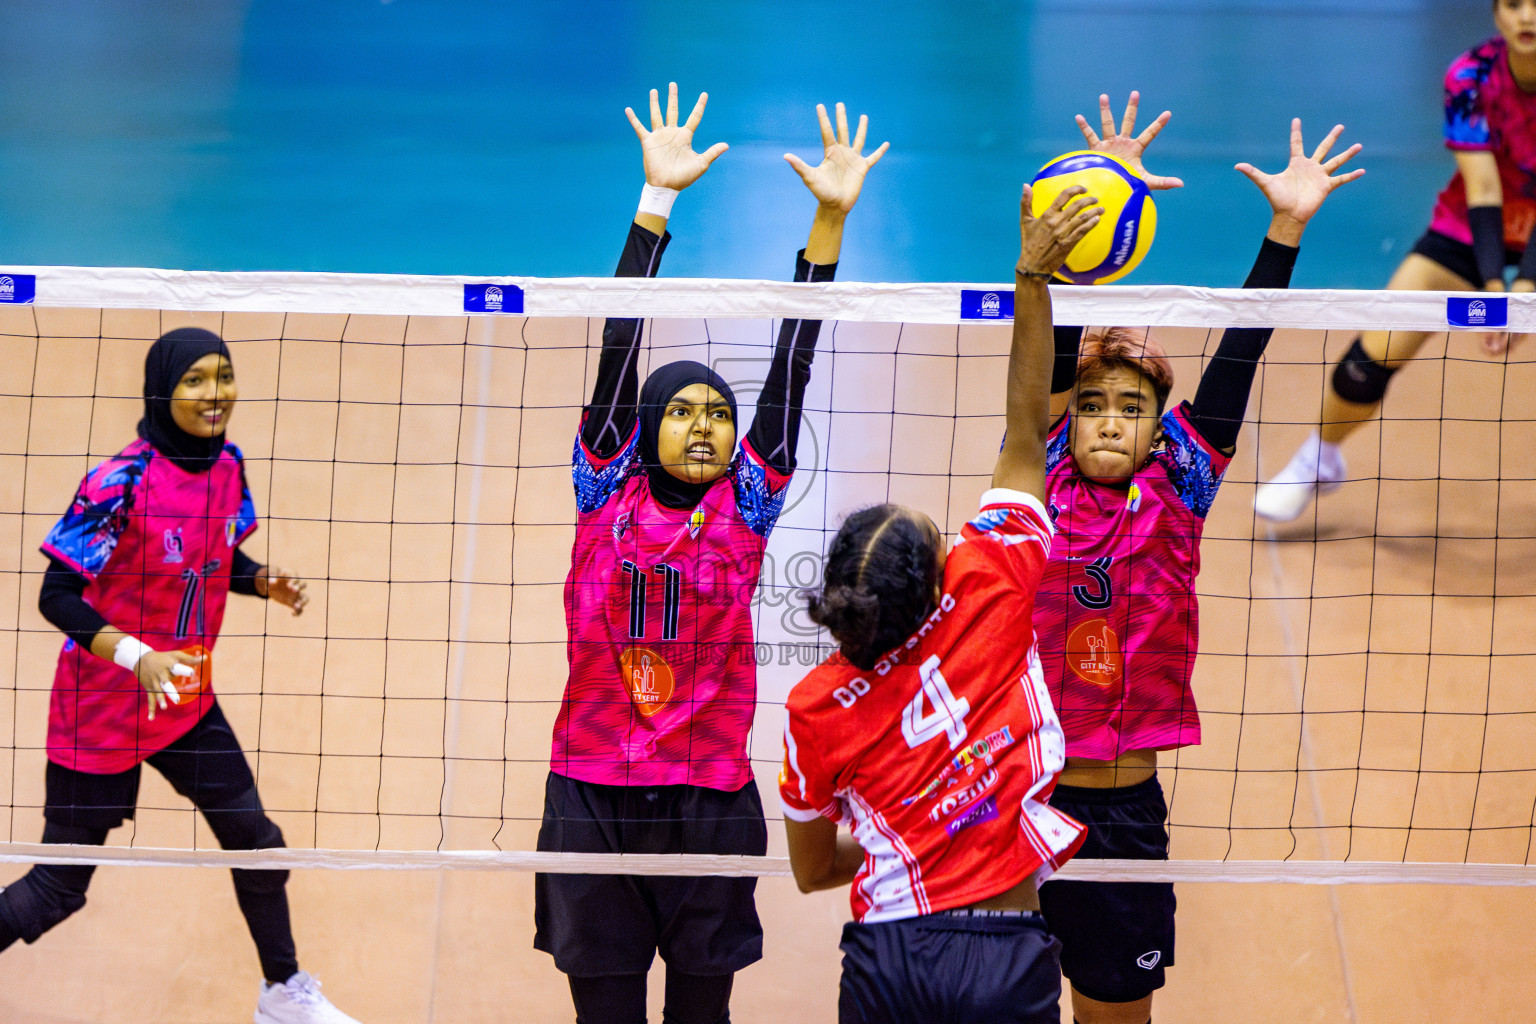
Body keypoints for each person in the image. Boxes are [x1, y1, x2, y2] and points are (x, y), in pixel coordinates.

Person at [533, 83, 886, 1024]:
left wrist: (826, 223)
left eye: (719, 415)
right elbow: (619, 341)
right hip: (593, 792)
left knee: (703, 1015)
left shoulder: (749, 501)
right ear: (644, 431)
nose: (704, 426)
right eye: (681, 410)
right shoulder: (604, 489)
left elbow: (794, 359)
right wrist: (657, 205)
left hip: (707, 795)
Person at [1036, 113, 1363, 1024]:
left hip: (1123, 816)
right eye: (1092, 403)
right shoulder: (1042, 468)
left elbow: (1239, 354)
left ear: (1161, 426)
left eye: (1131, 407)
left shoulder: (1181, 485)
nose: (1106, 419)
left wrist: (1284, 232)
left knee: (1115, 1012)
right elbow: (1050, 356)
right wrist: (1095, 213)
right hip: (1017, 795)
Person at [777, 185, 1101, 1023]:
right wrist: (1032, 280)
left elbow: (813, 871)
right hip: (1006, 947)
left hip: (888, 954)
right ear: (932, 588)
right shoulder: (990, 583)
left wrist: (914, 827)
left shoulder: (814, 707)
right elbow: (1027, 434)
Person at [0, 328, 362, 1024]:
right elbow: (56, 595)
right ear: (163, 388)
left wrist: (263, 582)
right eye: (195, 379)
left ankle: (283, 994)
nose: (213, 393)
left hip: (184, 703)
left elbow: (213, 558)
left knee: (256, 844)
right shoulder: (120, 482)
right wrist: (139, 657)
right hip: (101, 711)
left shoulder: (228, 465)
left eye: (223, 375)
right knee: (58, 889)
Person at [1255, 0, 1536, 521]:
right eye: (1515, 4)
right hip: (1470, 230)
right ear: (1496, 13)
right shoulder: (1471, 77)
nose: (1528, 17)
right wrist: (1498, 285)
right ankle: (1319, 459)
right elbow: (1483, 186)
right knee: (1369, 359)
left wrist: (1530, 287)